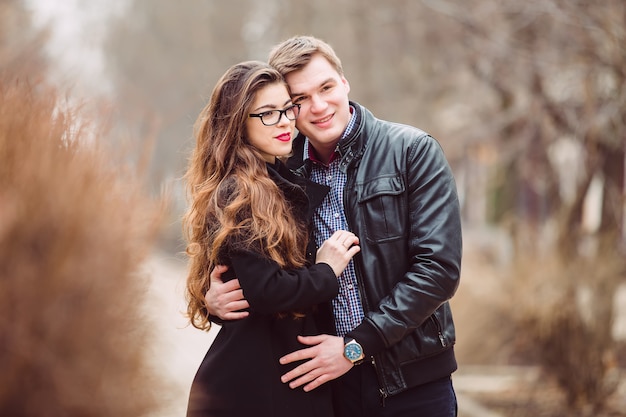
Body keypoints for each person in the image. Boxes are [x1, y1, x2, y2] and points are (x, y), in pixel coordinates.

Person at [206, 36, 462, 417]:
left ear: (344, 83)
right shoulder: (277, 171)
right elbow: (258, 272)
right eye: (300, 99)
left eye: (325, 87)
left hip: (413, 382)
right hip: (326, 387)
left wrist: (354, 347)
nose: (319, 106)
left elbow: (438, 270)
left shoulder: (412, 151)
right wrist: (213, 301)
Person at [182, 60, 361, 417]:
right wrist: (326, 271)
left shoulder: (278, 176)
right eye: (266, 114)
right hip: (251, 389)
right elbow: (266, 290)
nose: (284, 121)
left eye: (286, 109)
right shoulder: (239, 191)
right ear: (237, 124)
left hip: (285, 375)